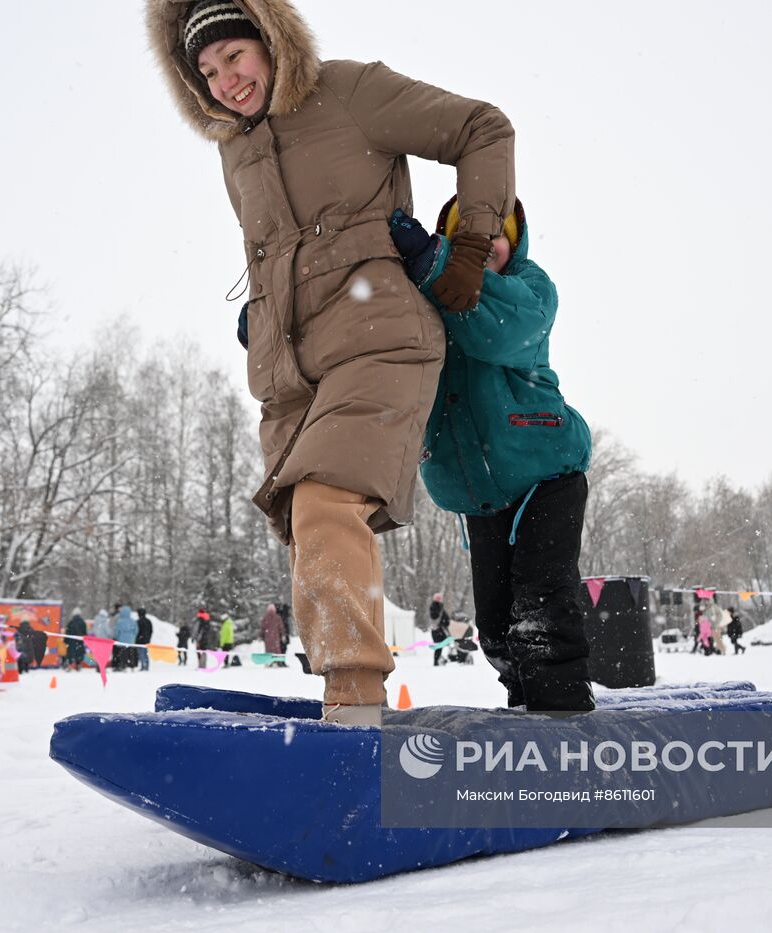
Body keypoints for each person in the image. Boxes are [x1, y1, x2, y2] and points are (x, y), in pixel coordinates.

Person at [149, 0, 515, 726]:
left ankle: (354, 702)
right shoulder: (235, 153)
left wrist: (471, 246)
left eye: (236, 56)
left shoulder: (347, 91)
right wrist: (264, 316)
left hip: (381, 336)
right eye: (209, 70)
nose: (226, 79)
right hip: (294, 373)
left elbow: (483, 127)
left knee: (324, 499)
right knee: (309, 524)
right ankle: (342, 696)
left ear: (270, 40)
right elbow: (282, 249)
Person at [390, 196, 593, 711]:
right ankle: (523, 703)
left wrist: (436, 264)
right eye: (466, 241)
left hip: (544, 469)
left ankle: (561, 705)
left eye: (493, 237)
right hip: (477, 486)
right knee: (497, 624)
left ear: (515, 240)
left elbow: (495, 331)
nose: (482, 250)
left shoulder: (530, 288)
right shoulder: (425, 292)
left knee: (542, 601)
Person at [113, 603, 139, 671]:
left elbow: (117, 631)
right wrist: (133, 636)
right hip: (131, 640)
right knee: (130, 653)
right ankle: (132, 666)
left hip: (122, 640)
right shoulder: (133, 621)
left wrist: (117, 637)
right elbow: (136, 630)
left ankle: (123, 665)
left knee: (123, 654)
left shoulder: (120, 621)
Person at [429, 594, 450, 667]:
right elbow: (441, 617)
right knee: (440, 646)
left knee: (439, 646)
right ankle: (437, 661)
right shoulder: (438, 608)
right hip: (439, 630)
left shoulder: (433, 607)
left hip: (436, 630)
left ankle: (438, 660)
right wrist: (444, 623)